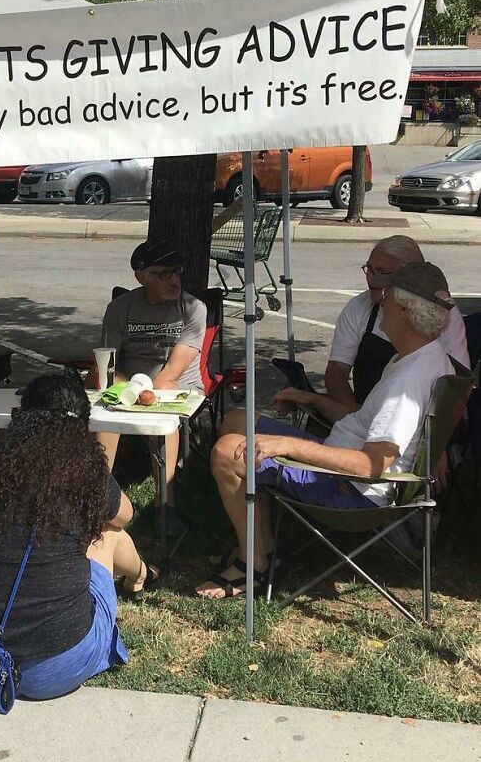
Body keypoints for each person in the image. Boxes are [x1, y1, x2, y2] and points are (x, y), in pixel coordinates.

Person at [196, 262, 455, 599]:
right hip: (344, 467)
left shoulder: (408, 381)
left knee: (230, 452)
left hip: (353, 492)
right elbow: (365, 419)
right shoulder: (422, 357)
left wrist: (286, 445)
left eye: (386, 296)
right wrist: (310, 399)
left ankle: (253, 568)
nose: (380, 303)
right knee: (237, 421)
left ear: (404, 309)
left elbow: (372, 465)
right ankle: (266, 547)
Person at [0, 372, 155, 701]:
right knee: (107, 532)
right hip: (57, 665)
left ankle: (139, 574)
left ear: (21, 415)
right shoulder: (86, 469)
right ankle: (140, 573)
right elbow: (124, 514)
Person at [96, 239, 206, 530]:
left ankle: (165, 502)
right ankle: (98, 500)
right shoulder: (121, 308)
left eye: (177, 272)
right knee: (107, 410)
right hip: (130, 386)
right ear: (141, 276)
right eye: (164, 274)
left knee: (163, 408)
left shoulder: (193, 309)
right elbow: (109, 364)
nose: (174, 280)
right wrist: (118, 390)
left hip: (178, 388)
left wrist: (143, 394)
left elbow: (171, 373)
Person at [325, 235, 468, 410]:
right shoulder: (359, 306)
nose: (371, 278)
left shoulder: (441, 317)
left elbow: (457, 387)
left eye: (382, 272)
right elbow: (336, 371)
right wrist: (352, 414)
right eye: (368, 269)